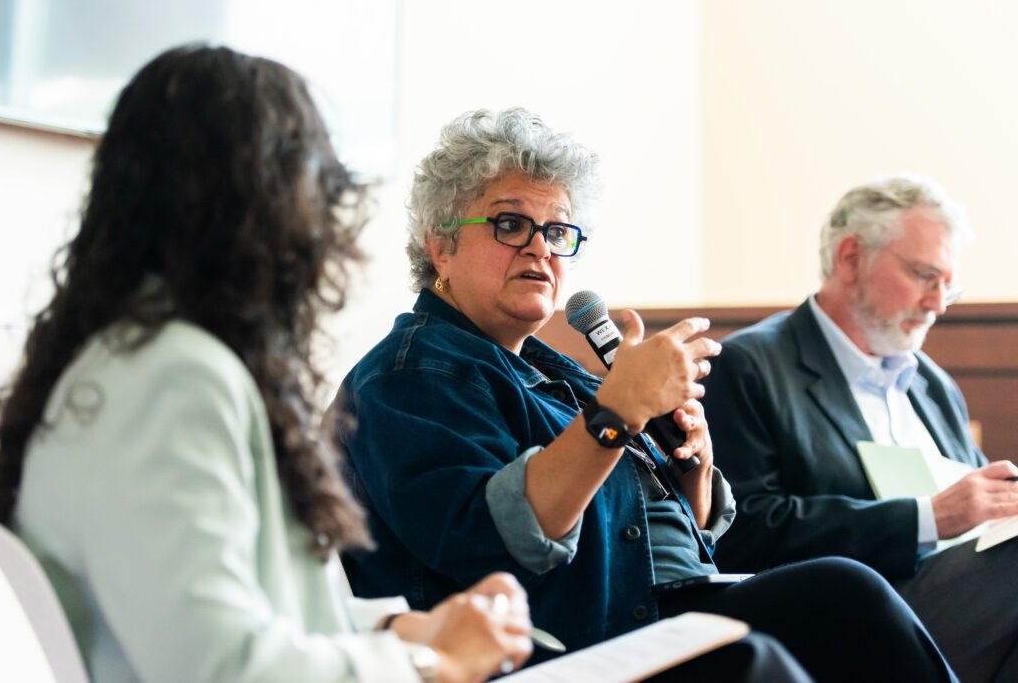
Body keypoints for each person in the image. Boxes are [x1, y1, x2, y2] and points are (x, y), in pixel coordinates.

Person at [336, 108, 957, 682]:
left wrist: (694, 466)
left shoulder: (557, 370)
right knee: (780, 641)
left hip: (668, 604)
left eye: (557, 230)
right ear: (439, 242)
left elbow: (687, 532)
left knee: (847, 595)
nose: (539, 248)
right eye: (510, 224)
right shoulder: (408, 376)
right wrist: (616, 413)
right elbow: (492, 546)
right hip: (569, 644)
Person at [0, 45, 534, 683]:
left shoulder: (134, 359)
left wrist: (403, 628)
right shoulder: (172, 379)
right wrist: (429, 665)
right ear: (263, 207)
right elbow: (219, 666)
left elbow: (246, 617)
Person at [702, 175, 1018, 683]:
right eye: (923, 275)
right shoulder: (749, 365)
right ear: (851, 258)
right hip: (846, 619)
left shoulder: (932, 384)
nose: (938, 303)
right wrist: (926, 518)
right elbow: (742, 531)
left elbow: (979, 515)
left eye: (948, 285)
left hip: (962, 610)